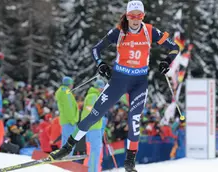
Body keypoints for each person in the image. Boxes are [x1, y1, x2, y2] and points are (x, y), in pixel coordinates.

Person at [49, 1, 179, 171]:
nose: (135, 19)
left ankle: (130, 161)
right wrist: (101, 64)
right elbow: (96, 49)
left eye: (139, 16)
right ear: (127, 16)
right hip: (119, 80)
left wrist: (167, 61)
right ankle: (66, 148)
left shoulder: (150, 31)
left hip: (139, 82)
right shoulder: (119, 32)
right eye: (132, 16)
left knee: (134, 120)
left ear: (143, 16)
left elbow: (174, 47)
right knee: (94, 115)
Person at [82, 79, 105, 172]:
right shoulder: (93, 96)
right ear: (99, 88)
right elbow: (89, 109)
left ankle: (92, 170)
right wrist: (98, 115)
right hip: (93, 127)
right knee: (94, 151)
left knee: (94, 151)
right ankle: (92, 170)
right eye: (102, 87)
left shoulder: (95, 95)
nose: (103, 89)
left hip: (94, 127)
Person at [55, 76, 79, 155]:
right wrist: (72, 119)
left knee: (66, 141)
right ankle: (67, 159)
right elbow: (68, 107)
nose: (73, 85)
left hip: (66, 120)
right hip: (69, 120)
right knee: (69, 143)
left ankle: (64, 158)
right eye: (72, 84)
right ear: (69, 84)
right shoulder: (66, 92)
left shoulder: (64, 91)